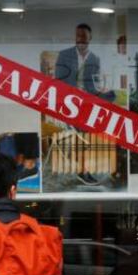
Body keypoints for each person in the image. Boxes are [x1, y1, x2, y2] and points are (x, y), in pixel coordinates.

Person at [54, 23, 115, 186]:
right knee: (84, 136)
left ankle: (83, 169)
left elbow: (94, 84)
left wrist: (101, 90)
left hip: (86, 104)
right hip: (69, 104)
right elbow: (58, 83)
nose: (80, 38)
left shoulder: (95, 58)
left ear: (90, 38)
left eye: (83, 35)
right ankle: (83, 170)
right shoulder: (64, 55)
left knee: (90, 132)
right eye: (78, 35)